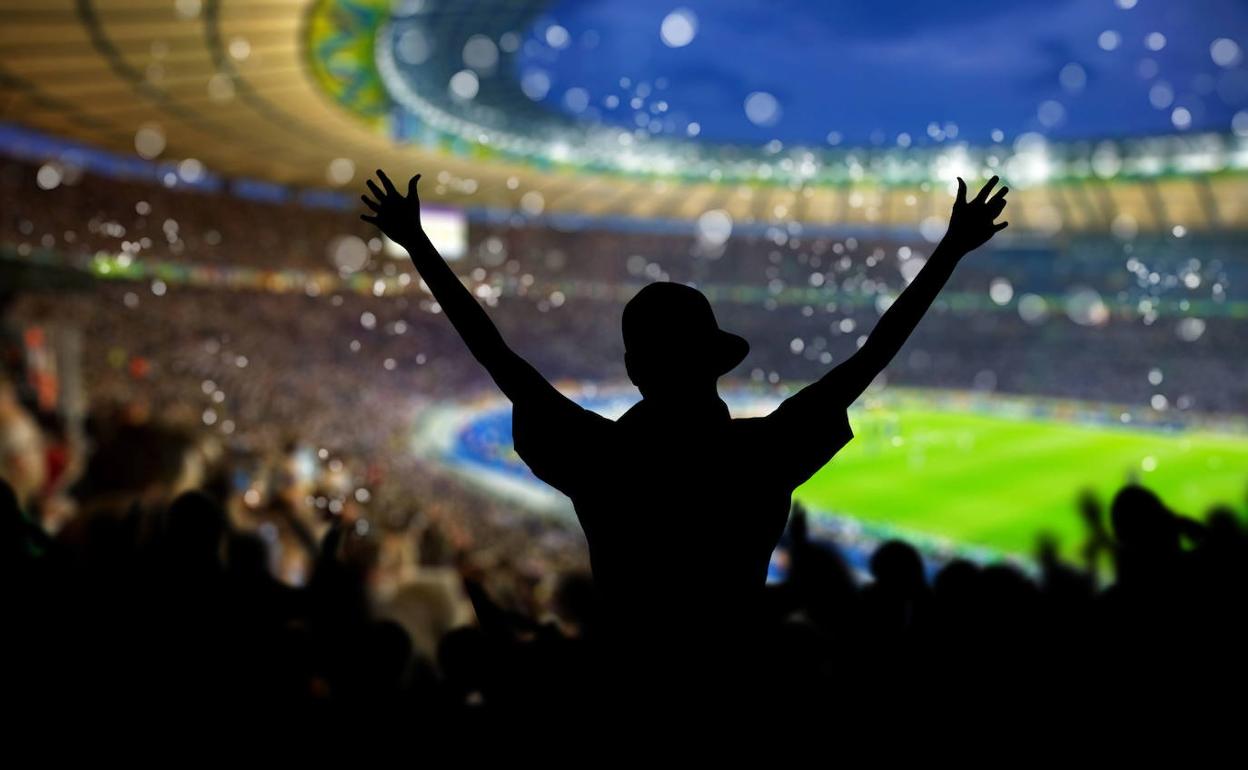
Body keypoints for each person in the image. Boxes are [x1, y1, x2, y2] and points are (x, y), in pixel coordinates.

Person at [361, 171, 1008, 654]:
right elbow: (867, 360)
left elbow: (500, 360)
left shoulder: (604, 458)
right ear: (716, 366)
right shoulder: (758, 454)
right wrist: (948, 251)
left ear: (637, 371)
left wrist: (419, 244)